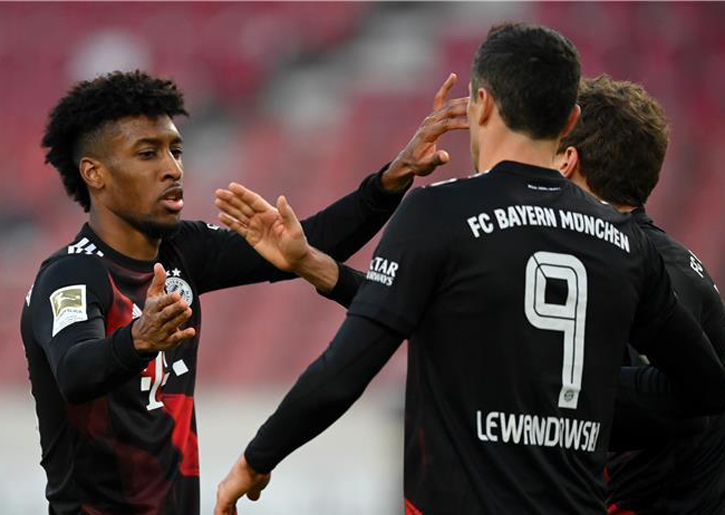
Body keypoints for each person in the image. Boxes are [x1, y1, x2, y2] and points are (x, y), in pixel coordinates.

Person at [213, 23, 725, 515]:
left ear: (482, 104)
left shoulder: (439, 211)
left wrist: (256, 460)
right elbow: (704, 386)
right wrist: (571, 400)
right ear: (569, 120)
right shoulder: (625, 242)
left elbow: (347, 368)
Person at [20, 70, 467, 514]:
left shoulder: (183, 250)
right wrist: (138, 340)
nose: (172, 169)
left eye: (176, 150)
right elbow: (74, 371)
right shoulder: (72, 274)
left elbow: (307, 246)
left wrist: (394, 177)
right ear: (94, 173)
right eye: (148, 153)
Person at [554, 76, 725, 514]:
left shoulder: (655, 269)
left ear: (568, 163)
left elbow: (684, 402)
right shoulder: (624, 256)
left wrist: (549, 388)